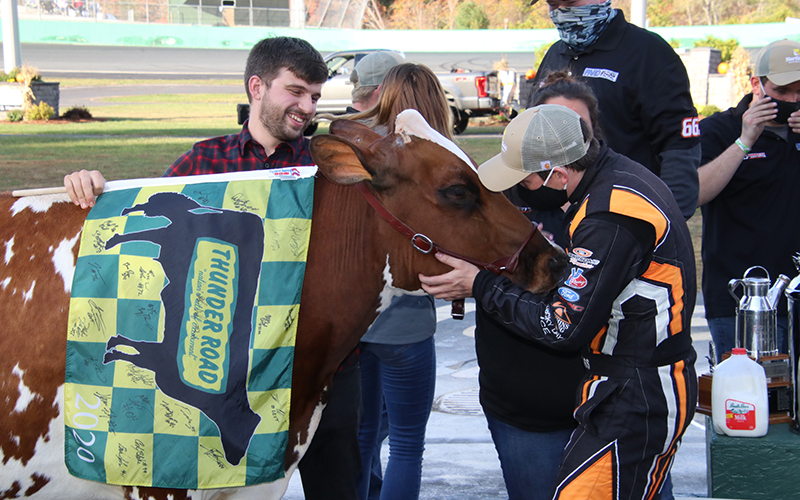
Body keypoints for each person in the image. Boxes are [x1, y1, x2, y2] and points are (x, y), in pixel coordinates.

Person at [63, 36, 364, 500]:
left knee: (341, 490)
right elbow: (145, 219)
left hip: (321, 369)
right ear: (257, 87)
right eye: (296, 91)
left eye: (316, 97)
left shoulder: (328, 171)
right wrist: (91, 187)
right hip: (229, 375)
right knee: (223, 487)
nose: (308, 107)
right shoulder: (203, 162)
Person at [419, 104, 698, 500]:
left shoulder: (609, 216)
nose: (521, 189)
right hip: (630, 383)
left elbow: (561, 326)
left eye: (526, 180)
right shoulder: (619, 178)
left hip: (636, 391)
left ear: (558, 174)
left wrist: (480, 284)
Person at [476, 72, 596, 500]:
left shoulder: (611, 207)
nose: (555, 135)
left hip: (603, 404)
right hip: (522, 407)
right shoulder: (504, 194)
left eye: (569, 127)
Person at [347, 63, 449, 500]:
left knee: (362, 437)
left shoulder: (365, 156)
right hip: (409, 321)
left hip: (357, 316)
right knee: (407, 445)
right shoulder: (447, 161)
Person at [527, 0, 701, 220]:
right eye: (553, 4)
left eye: (570, 2)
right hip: (558, 222)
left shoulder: (649, 53)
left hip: (623, 219)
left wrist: (664, 224)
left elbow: (680, 149)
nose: (561, 11)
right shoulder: (555, 54)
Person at [697, 38, 800, 361]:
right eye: (783, 92)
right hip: (740, 299)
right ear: (757, 84)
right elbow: (694, 193)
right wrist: (745, 141)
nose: (793, 100)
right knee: (748, 403)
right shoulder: (718, 130)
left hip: (795, 291)